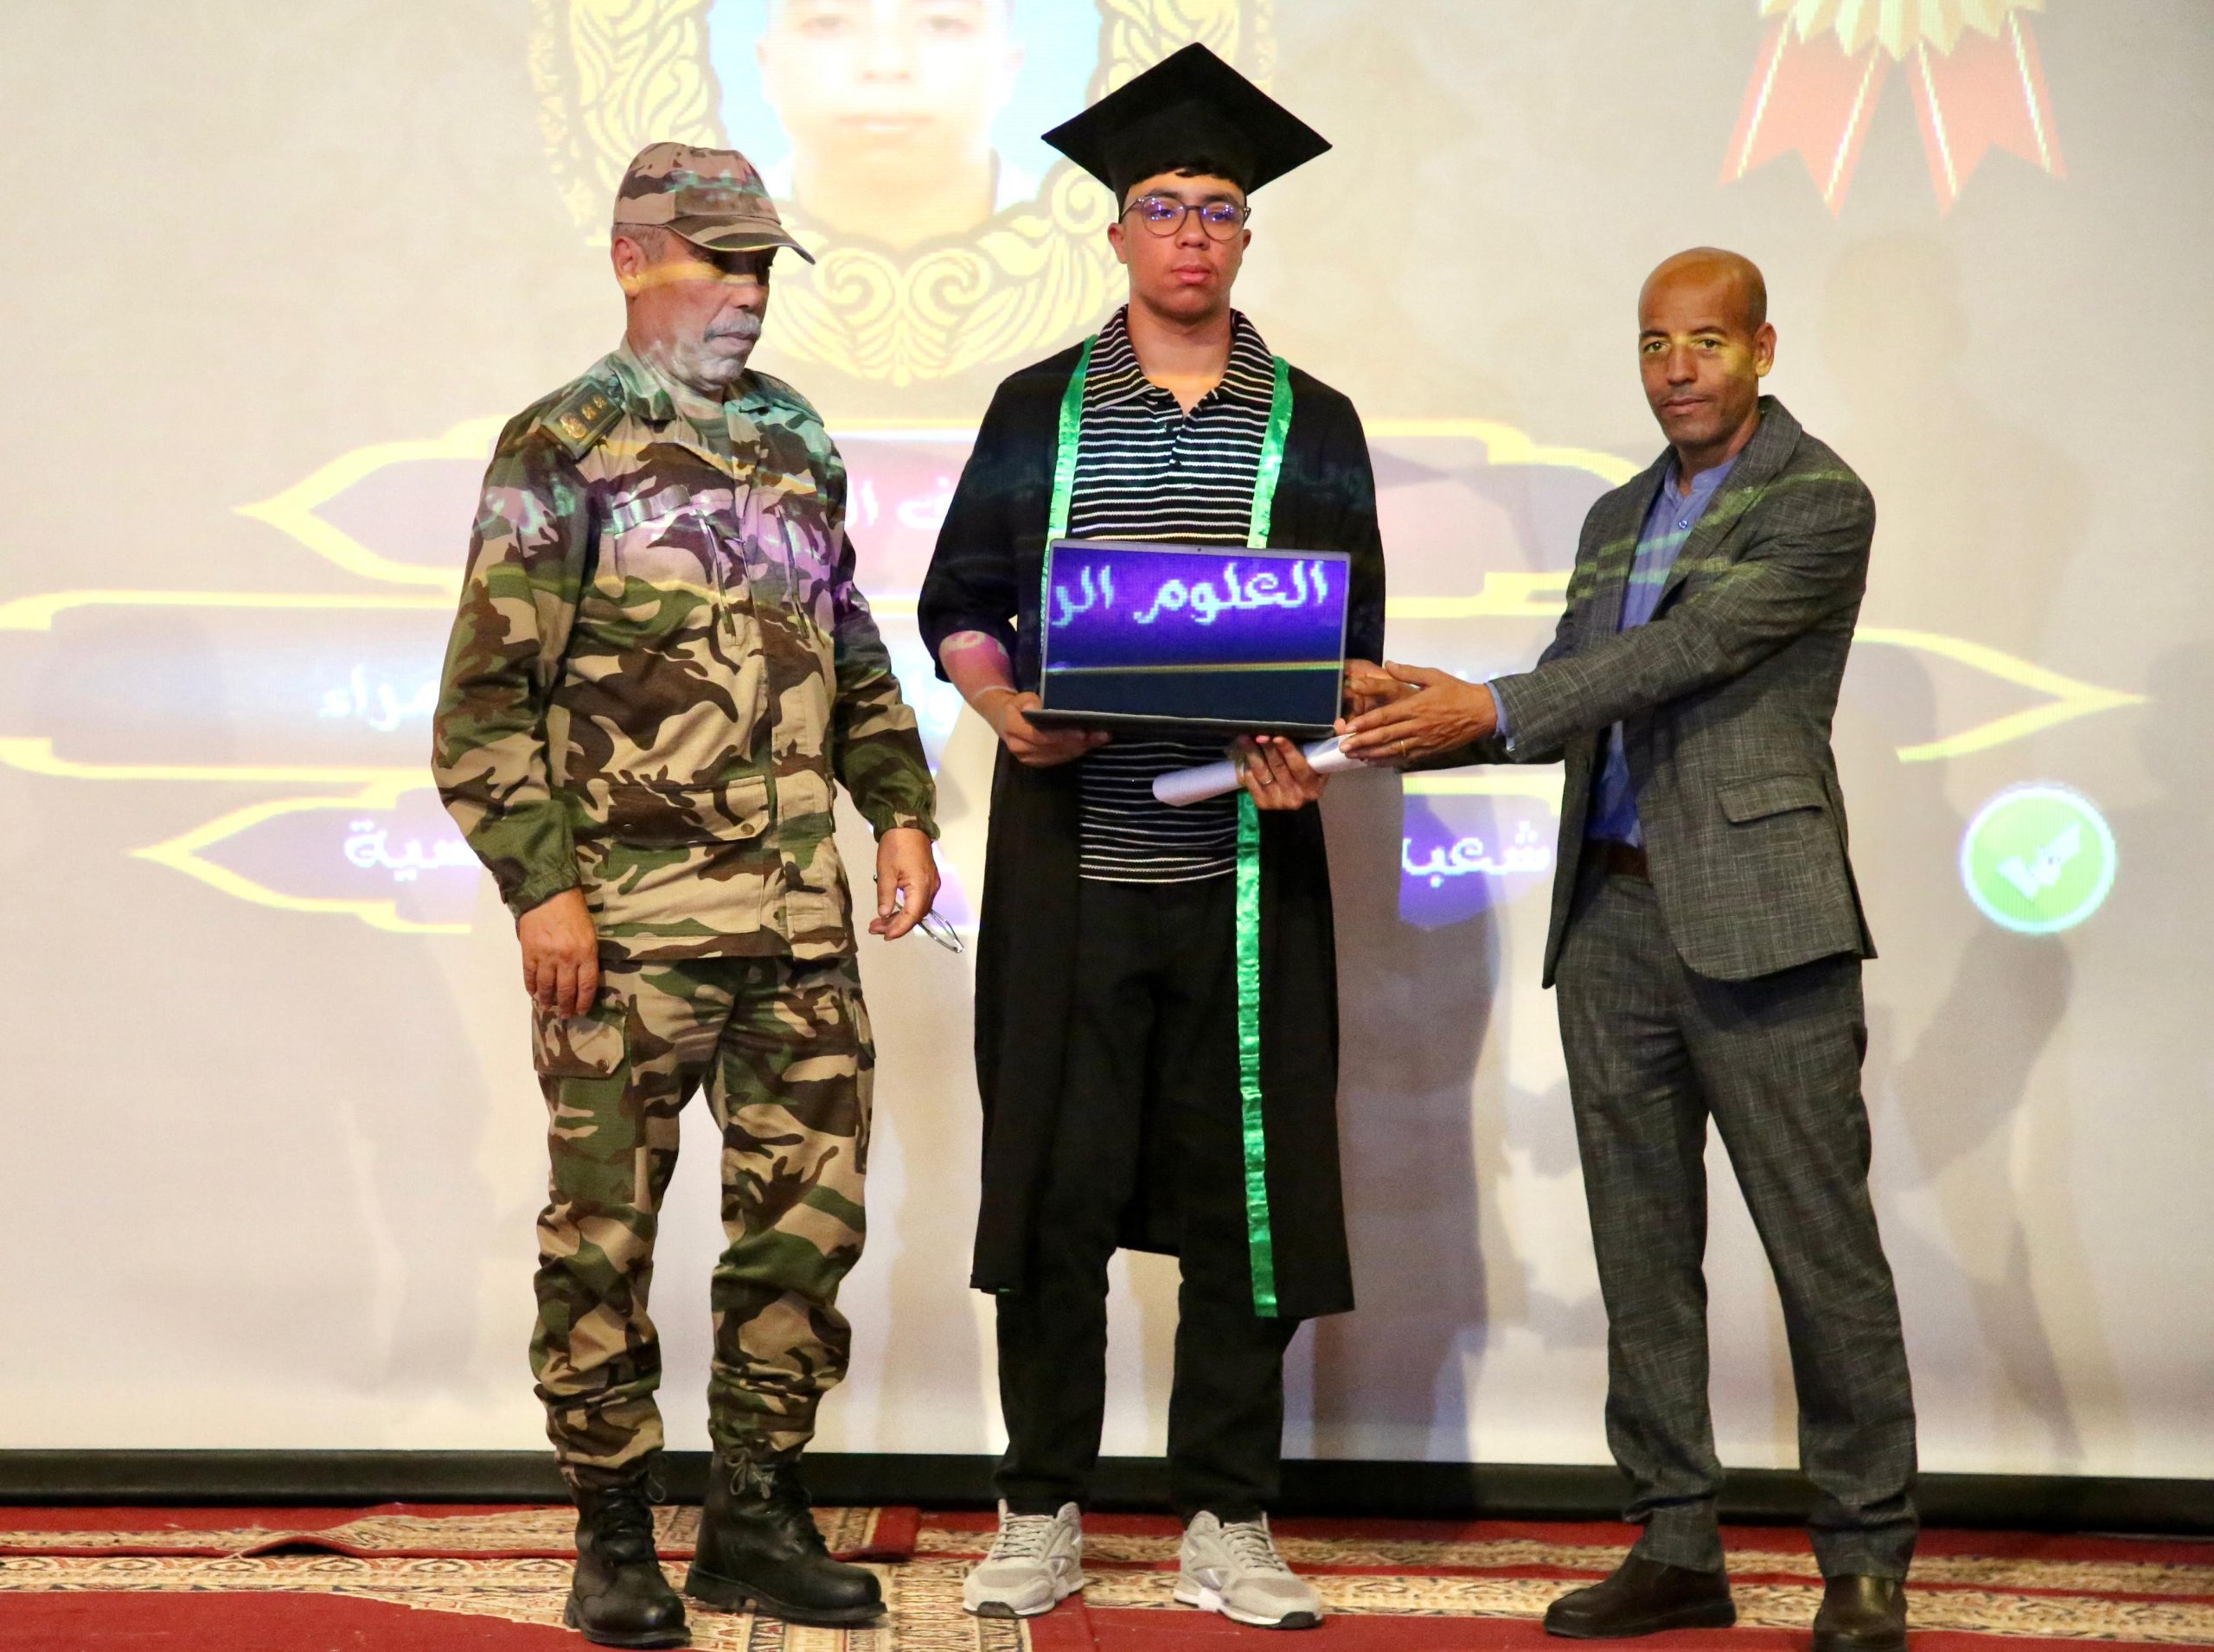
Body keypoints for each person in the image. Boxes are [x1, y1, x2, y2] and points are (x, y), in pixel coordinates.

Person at [1339, 248, 1916, 1652]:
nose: (1676, 368)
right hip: (1609, 918)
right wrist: (1411, 708)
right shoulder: (1616, 514)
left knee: (1821, 1249)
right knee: (1642, 1253)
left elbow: (1685, 653)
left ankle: (1864, 1554)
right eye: (1655, 343)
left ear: (1763, 349)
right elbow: (1572, 691)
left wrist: (1488, 703)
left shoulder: (1819, 498)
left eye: (1706, 341)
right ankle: (1673, 1545)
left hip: (1764, 920)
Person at [432, 141, 939, 1647]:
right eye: (719, 261)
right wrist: (541, 892)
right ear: (631, 257)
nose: (747, 293)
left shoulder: (796, 436)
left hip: (798, 927)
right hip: (626, 933)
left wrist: (901, 808)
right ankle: (610, 1531)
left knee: (805, 1229)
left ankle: (754, 1518)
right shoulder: (563, 443)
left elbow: (849, 641)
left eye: (761, 265)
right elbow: (484, 704)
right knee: (604, 1236)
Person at [917, 43, 1385, 1633]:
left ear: (1249, 234)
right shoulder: (1037, 410)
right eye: (1166, 206)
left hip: (1243, 880)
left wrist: (1311, 748)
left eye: (1221, 209)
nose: (1193, 232)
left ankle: (1227, 1517)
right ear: (1116, 229)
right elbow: (963, 605)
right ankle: (1039, 1502)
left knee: (1244, 1198)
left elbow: (1348, 652)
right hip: (1077, 867)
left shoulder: (1313, 425)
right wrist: (1000, 706)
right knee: (1051, 1189)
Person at [754, 0, 1032, 249]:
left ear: (1008, 67)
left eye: (941, 24)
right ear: (767, 65)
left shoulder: (1059, 243)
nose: (886, 63)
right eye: (829, 23)